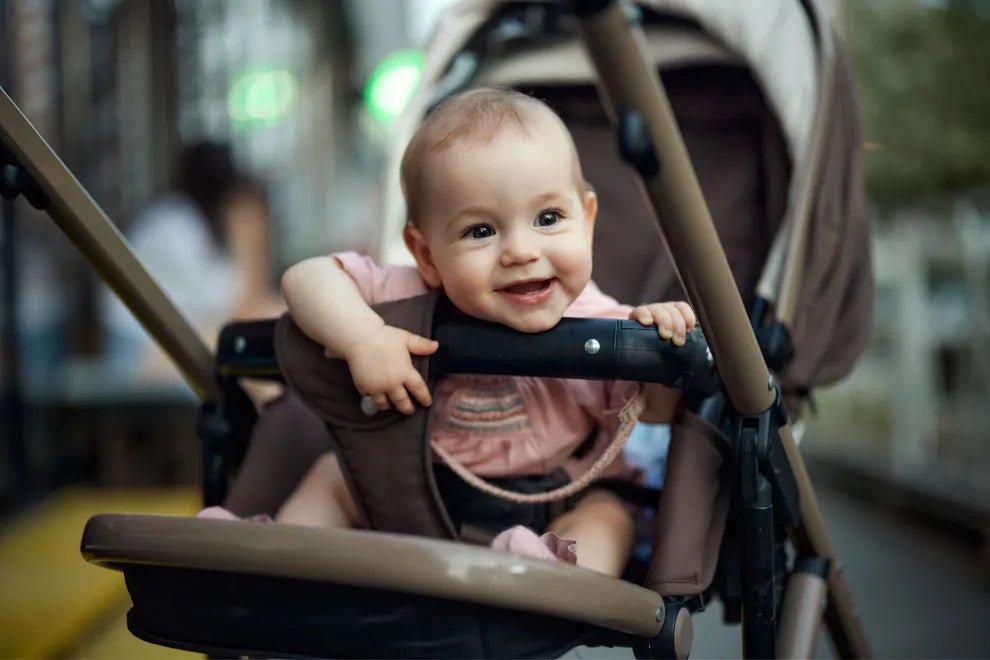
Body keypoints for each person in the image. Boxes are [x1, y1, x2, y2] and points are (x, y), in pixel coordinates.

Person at [219, 89, 695, 577]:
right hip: (421, 501)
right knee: (333, 478)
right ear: (426, 255)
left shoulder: (602, 322)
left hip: (558, 502)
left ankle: (552, 581)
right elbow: (306, 278)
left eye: (547, 219)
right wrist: (362, 336)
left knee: (608, 518)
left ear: (587, 221)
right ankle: (276, 565)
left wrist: (659, 342)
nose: (520, 251)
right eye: (480, 231)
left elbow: (657, 412)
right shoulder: (412, 294)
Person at [102, 142, 283, 382]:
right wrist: (250, 245)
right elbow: (238, 307)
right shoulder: (175, 225)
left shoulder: (195, 225)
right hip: (138, 350)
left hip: (165, 341)